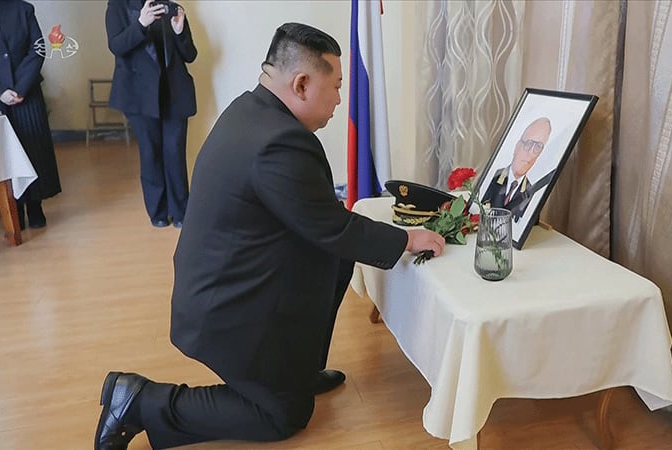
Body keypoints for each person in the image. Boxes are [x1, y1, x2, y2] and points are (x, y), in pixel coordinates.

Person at [94, 22, 446, 449]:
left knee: (337, 258)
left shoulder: (251, 110)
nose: (340, 99)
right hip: (227, 308)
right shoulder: (280, 142)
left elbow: (318, 221)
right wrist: (408, 240)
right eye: (336, 87)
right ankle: (139, 400)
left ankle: (297, 373)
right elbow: (332, 227)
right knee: (282, 416)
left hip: (232, 280)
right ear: (301, 84)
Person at [105, 0, 197, 228]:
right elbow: (116, 46)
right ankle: (158, 212)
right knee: (150, 153)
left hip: (174, 92)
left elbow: (190, 54)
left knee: (174, 152)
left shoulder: (171, 6)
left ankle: (181, 212)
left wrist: (180, 32)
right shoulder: (118, 5)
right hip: (139, 94)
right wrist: (141, 24)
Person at [0, 0, 61, 228]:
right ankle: (14, 212)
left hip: (27, 92)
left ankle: (36, 206)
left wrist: (21, 87)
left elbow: (37, 48)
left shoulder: (23, 9)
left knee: (34, 151)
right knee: (5, 156)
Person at [481, 117, 556, 222]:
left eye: (538, 147)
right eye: (529, 143)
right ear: (517, 146)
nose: (530, 153)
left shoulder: (530, 193)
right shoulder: (493, 177)